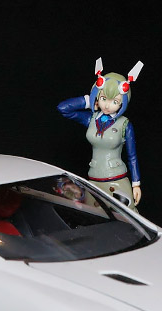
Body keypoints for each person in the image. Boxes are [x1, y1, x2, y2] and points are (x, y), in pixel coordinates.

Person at [58, 60, 143, 211]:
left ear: (122, 103)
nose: (108, 105)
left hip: (117, 179)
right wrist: (89, 101)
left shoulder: (125, 125)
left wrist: (136, 183)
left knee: (127, 214)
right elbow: (64, 108)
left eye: (115, 101)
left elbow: (132, 156)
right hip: (94, 179)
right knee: (96, 214)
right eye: (104, 98)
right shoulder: (92, 119)